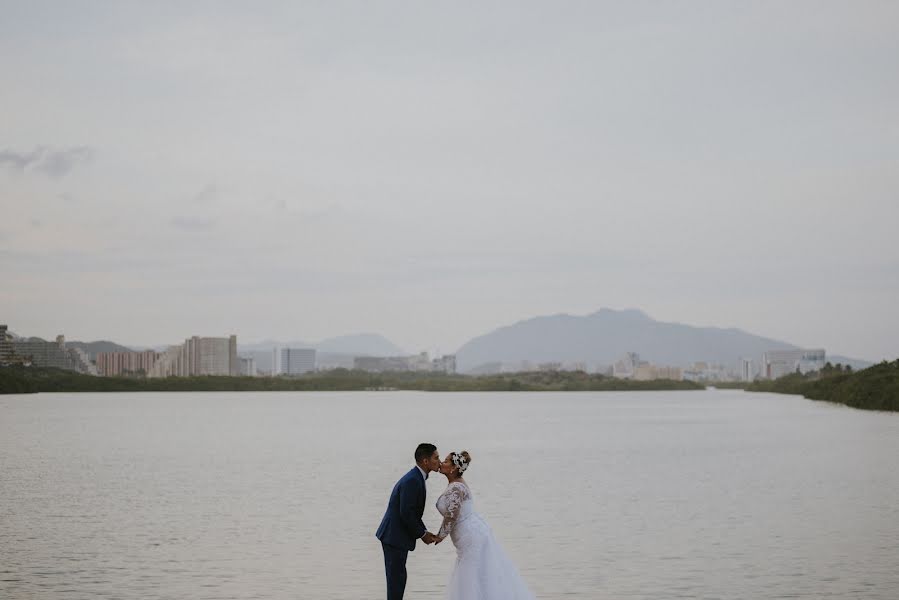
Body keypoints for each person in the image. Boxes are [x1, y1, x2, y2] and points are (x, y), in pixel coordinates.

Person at [435, 451, 536, 600]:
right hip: (469, 534)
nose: (442, 463)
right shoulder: (456, 484)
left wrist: (439, 536)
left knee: (470, 578)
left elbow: (452, 515)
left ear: (454, 468)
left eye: (446, 461)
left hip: (469, 537)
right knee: (476, 575)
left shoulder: (456, 487)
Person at [375, 443, 441, 600]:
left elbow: (410, 512)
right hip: (394, 537)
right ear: (425, 461)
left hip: (396, 536)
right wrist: (422, 534)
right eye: (436, 458)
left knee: (398, 580)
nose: (439, 461)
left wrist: (424, 531)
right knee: (396, 582)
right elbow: (406, 513)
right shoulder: (413, 480)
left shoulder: (416, 477)